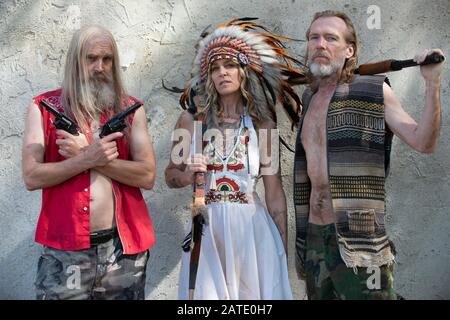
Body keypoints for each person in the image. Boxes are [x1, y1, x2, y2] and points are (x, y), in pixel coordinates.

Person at [293, 10, 444, 300]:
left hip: (358, 241)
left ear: (349, 50)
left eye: (330, 38)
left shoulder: (372, 91)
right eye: (314, 37)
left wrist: (432, 83)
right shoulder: (309, 99)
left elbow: (423, 142)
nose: (320, 44)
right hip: (314, 237)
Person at [165, 18, 304, 300]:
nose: (222, 73)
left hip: (253, 232)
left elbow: (274, 192)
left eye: (229, 65)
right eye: (215, 68)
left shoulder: (262, 124)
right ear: (208, 76)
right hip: (207, 227)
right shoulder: (190, 120)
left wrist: (280, 251)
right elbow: (170, 176)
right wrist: (188, 174)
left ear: (244, 72)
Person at [22, 25, 156, 300]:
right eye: (91, 58)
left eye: (107, 60)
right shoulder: (43, 108)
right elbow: (32, 177)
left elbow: (147, 175)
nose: (100, 67)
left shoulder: (131, 110)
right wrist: (88, 158)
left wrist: (87, 155)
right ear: (75, 61)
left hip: (123, 250)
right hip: (64, 252)